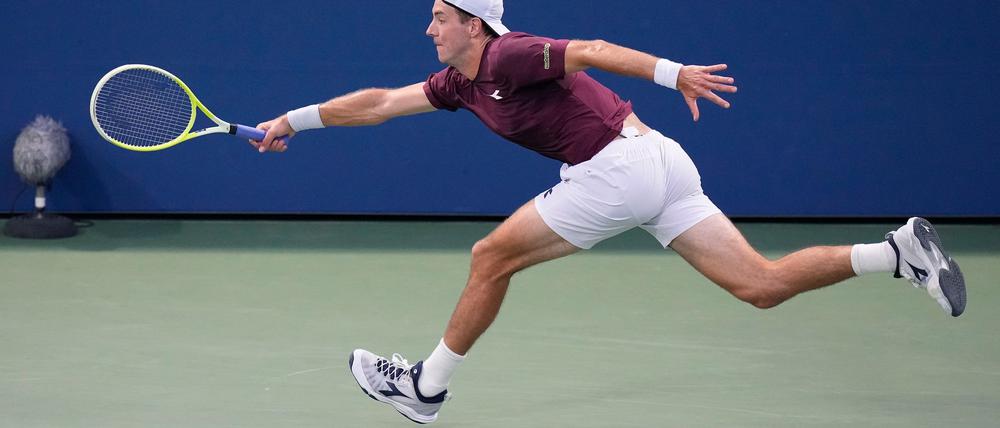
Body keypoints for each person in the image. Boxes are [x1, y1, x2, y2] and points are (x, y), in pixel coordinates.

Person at [251, 0, 967, 424]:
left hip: (616, 169)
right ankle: (896, 253)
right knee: (761, 286)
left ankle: (425, 390)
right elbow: (377, 103)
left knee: (489, 257)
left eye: (439, 17)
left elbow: (590, 51)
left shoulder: (509, 56)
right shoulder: (457, 83)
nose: (428, 28)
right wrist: (293, 117)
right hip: (660, 166)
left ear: (475, 24)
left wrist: (672, 72)